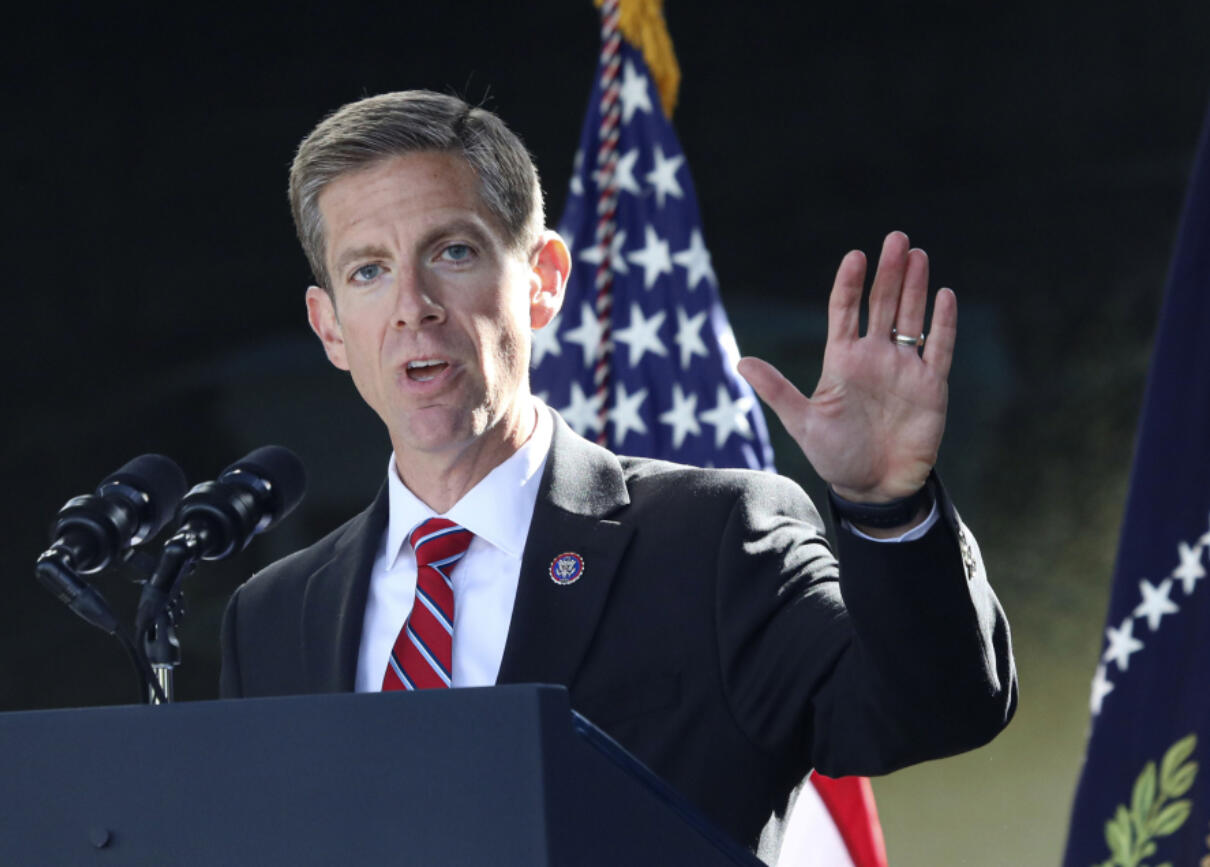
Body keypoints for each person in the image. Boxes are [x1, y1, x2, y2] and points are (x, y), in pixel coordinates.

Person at [220, 90, 1017, 854]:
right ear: (329, 329)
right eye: (368, 271)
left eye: (452, 251)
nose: (413, 304)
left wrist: (887, 507)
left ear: (544, 280)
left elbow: (931, 710)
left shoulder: (713, 540)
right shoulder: (272, 616)